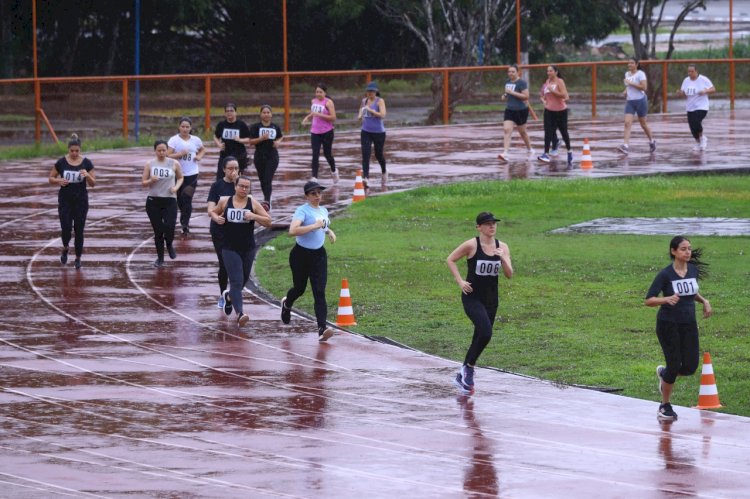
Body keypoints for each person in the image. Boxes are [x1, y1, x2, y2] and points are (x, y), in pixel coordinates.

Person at [645, 236, 712, 421]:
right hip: (668, 324)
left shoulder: (692, 269)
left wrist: (704, 301)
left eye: (689, 248)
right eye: (683, 249)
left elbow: (691, 291)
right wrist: (665, 299)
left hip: (688, 324)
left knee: (690, 367)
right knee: (674, 365)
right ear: (673, 251)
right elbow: (649, 299)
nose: (688, 252)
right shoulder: (665, 274)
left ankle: (665, 375)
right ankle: (664, 405)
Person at [446, 212, 513, 394]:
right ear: (479, 227)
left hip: (491, 299)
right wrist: (460, 281)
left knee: (480, 336)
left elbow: (509, 275)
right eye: (488, 224)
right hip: (472, 296)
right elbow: (450, 259)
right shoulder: (471, 245)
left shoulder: (503, 246)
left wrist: (503, 259)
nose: (492, 227)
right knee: (485, 332)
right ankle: (468, 368)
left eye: (494, 224)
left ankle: (464, 372)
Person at [280, 180, 337, 342]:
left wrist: (330, 231)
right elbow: (292, 231)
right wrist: (313, 226)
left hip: (319, 256)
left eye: (319, 193)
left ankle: (322, 329)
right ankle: (287, 304)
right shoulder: (302, 211)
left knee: (319, 291)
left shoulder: (324, 210)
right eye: (313, 193)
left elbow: (323, 226)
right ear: (307, 196)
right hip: (300, 255)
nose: (317, 196)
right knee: (299, 288)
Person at [210, 175, 271, 327]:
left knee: (243, 281)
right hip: (229, 247)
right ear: (235, 187)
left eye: (247, 187)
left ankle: (229, 297)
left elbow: (268, 221)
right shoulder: (226, 201)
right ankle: (240, 314)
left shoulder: (252, 203)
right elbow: (213, 211)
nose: (244, 189)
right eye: (241, 186)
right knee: (236, 282)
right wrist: (216, 218)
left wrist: (254, 216)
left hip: (248, 247)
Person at [48, 134, 96, 269]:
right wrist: (59, 181)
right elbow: (51, 178)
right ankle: (65, 247)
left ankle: (78, 258)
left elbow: (93, 183)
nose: (74, 153)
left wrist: (87, 176)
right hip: (65, 200)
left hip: (81, 200)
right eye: (72, 151)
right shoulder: (61, 162)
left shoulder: (87, 163)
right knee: (66, 228)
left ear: (80, 150)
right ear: (68, 150)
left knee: (79, 230)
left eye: (77, 151)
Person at [142, 140, 184, 267]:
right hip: (153, 201)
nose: (161, 153)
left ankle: (169, 243)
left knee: (170, 226)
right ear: (155, 151)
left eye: (164, 150)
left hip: (170, 200)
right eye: (159, 150)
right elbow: (143, 182)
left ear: (167, 151)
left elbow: (181, 177)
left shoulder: (174, 163)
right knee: (158, 231)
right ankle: (160, 258)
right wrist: (150, 180)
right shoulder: (150, 164)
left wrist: (176, 187)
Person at [207, 156, 239, 311]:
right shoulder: (217, 186)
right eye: (230, 168)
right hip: (220, 230)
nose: (234, 172)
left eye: (236, 168)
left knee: (237, 265)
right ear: (224, 170)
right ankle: (223, 295)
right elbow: (210, 209)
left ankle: (233, 293)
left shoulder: (242, 186)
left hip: (238, 231)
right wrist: (216, 217)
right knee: (224, 264)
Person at [167, 117, 205, 235]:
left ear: (190, 128)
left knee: (187, 199)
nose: (185, 129)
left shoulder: (196, 140)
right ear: (179, 127)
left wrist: (199, 157)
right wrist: (179, 154)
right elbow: (167, 155)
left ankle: (185, 224)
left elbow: (203, 149)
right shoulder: (174, 140)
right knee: (179, 200)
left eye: (187, 127)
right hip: (177, 174)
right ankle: (182, 218)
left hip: (192, 174)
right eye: (182, 126)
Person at [248, 105, 284, 210]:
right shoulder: (255, 127)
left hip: (272, 155)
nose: (266, 114)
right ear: (260, 114)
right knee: (262, 179)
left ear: (271, 114)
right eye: (264, 112)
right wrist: (261, 138)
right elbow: (251, 142)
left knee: (268, 178)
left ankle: (267, 201)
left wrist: (278, 142)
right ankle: (267, 197)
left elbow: (280, 136)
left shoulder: (275, 127)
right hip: (259, 155)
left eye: (268, 112)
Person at [301, 83, 338, 184]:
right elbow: (313, 113)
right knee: (315, 154)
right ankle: (314, 177)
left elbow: (333, 117)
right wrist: (307, 117)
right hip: (315, 132)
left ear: (325, 93)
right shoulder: (314, 101)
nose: (318, 94)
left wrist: (319, 115)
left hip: (327, 132)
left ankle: (334, 171)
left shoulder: (328, 102)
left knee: (327, 154)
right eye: (317, 91)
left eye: (320, 92)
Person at [619, 58, 656, 155]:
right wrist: (626, 91)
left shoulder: (641, 74)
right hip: (630, 101)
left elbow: (644, 87)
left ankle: (652, 140)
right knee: (627, 123)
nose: (629, 64)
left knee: (643, 124)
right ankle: (625, 146)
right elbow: (628, 86)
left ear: (636, 64)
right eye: (628, 63)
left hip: (640, 101)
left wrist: (631, 83)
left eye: (632, 63)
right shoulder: (627, 74)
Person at [538, 65, 573, 167]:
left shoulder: (560, 81)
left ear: (556, 72)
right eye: (547, 71)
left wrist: (553, 91)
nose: (548, 73)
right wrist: (544, 101)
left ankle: (569, 151)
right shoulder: (546, 82)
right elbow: (542, 95)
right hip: (549, 111)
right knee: (548, 132)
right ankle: (545, 153)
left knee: (564, 132)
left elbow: (564, 95)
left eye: (551, 71)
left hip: (561, 111)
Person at [498, 64, 534, 161]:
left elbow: (526, 96)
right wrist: (504, 95)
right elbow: (507, 93)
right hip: (509, 110)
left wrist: (512, 92)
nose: (511, 74)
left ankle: (530, 149)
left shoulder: (522, 83)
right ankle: (505, 153)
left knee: (522, 132)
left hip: (521, 110)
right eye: (509, 72)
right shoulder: (507, 82)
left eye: (513, 71)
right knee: (507, 130)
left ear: (518, 72)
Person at [676, 64, 715, 151]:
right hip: (690, 107)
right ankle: (698, 142)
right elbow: (684, 94)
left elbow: (713, 89)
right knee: (692, 127)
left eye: (692, 71)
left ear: (696, 71)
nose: (690, 73)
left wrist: (705, 91)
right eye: (688, 71)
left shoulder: (703, 79)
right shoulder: (686, 80)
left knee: (696, 121)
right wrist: (680, 93)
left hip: (702, 106)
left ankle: (702, 139)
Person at [358, 81, 387, 186]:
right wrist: (360, 115)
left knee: (378, 154)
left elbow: (383, 115)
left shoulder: (380, 101)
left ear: (376, 92)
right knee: (365, 154)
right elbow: (361, 110)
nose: (370, 93)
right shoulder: (364, 101)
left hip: (379, 133)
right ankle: (366, 178)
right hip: (365, 131)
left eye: (372, 91)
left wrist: (371, 111)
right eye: (368, 91)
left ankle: (384, 170)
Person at [214, 102, 251, 180]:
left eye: (231, 111)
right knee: (220, 177)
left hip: (239, 155)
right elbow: (215, 136)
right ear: (225, 113)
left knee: (235, 178)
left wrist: (240, 140)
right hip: (225, 155)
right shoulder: (221, 125)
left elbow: (249, 139)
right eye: (227, 111)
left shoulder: (241, 125)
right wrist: (219, 144)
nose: (229, 113)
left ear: (235, 112)